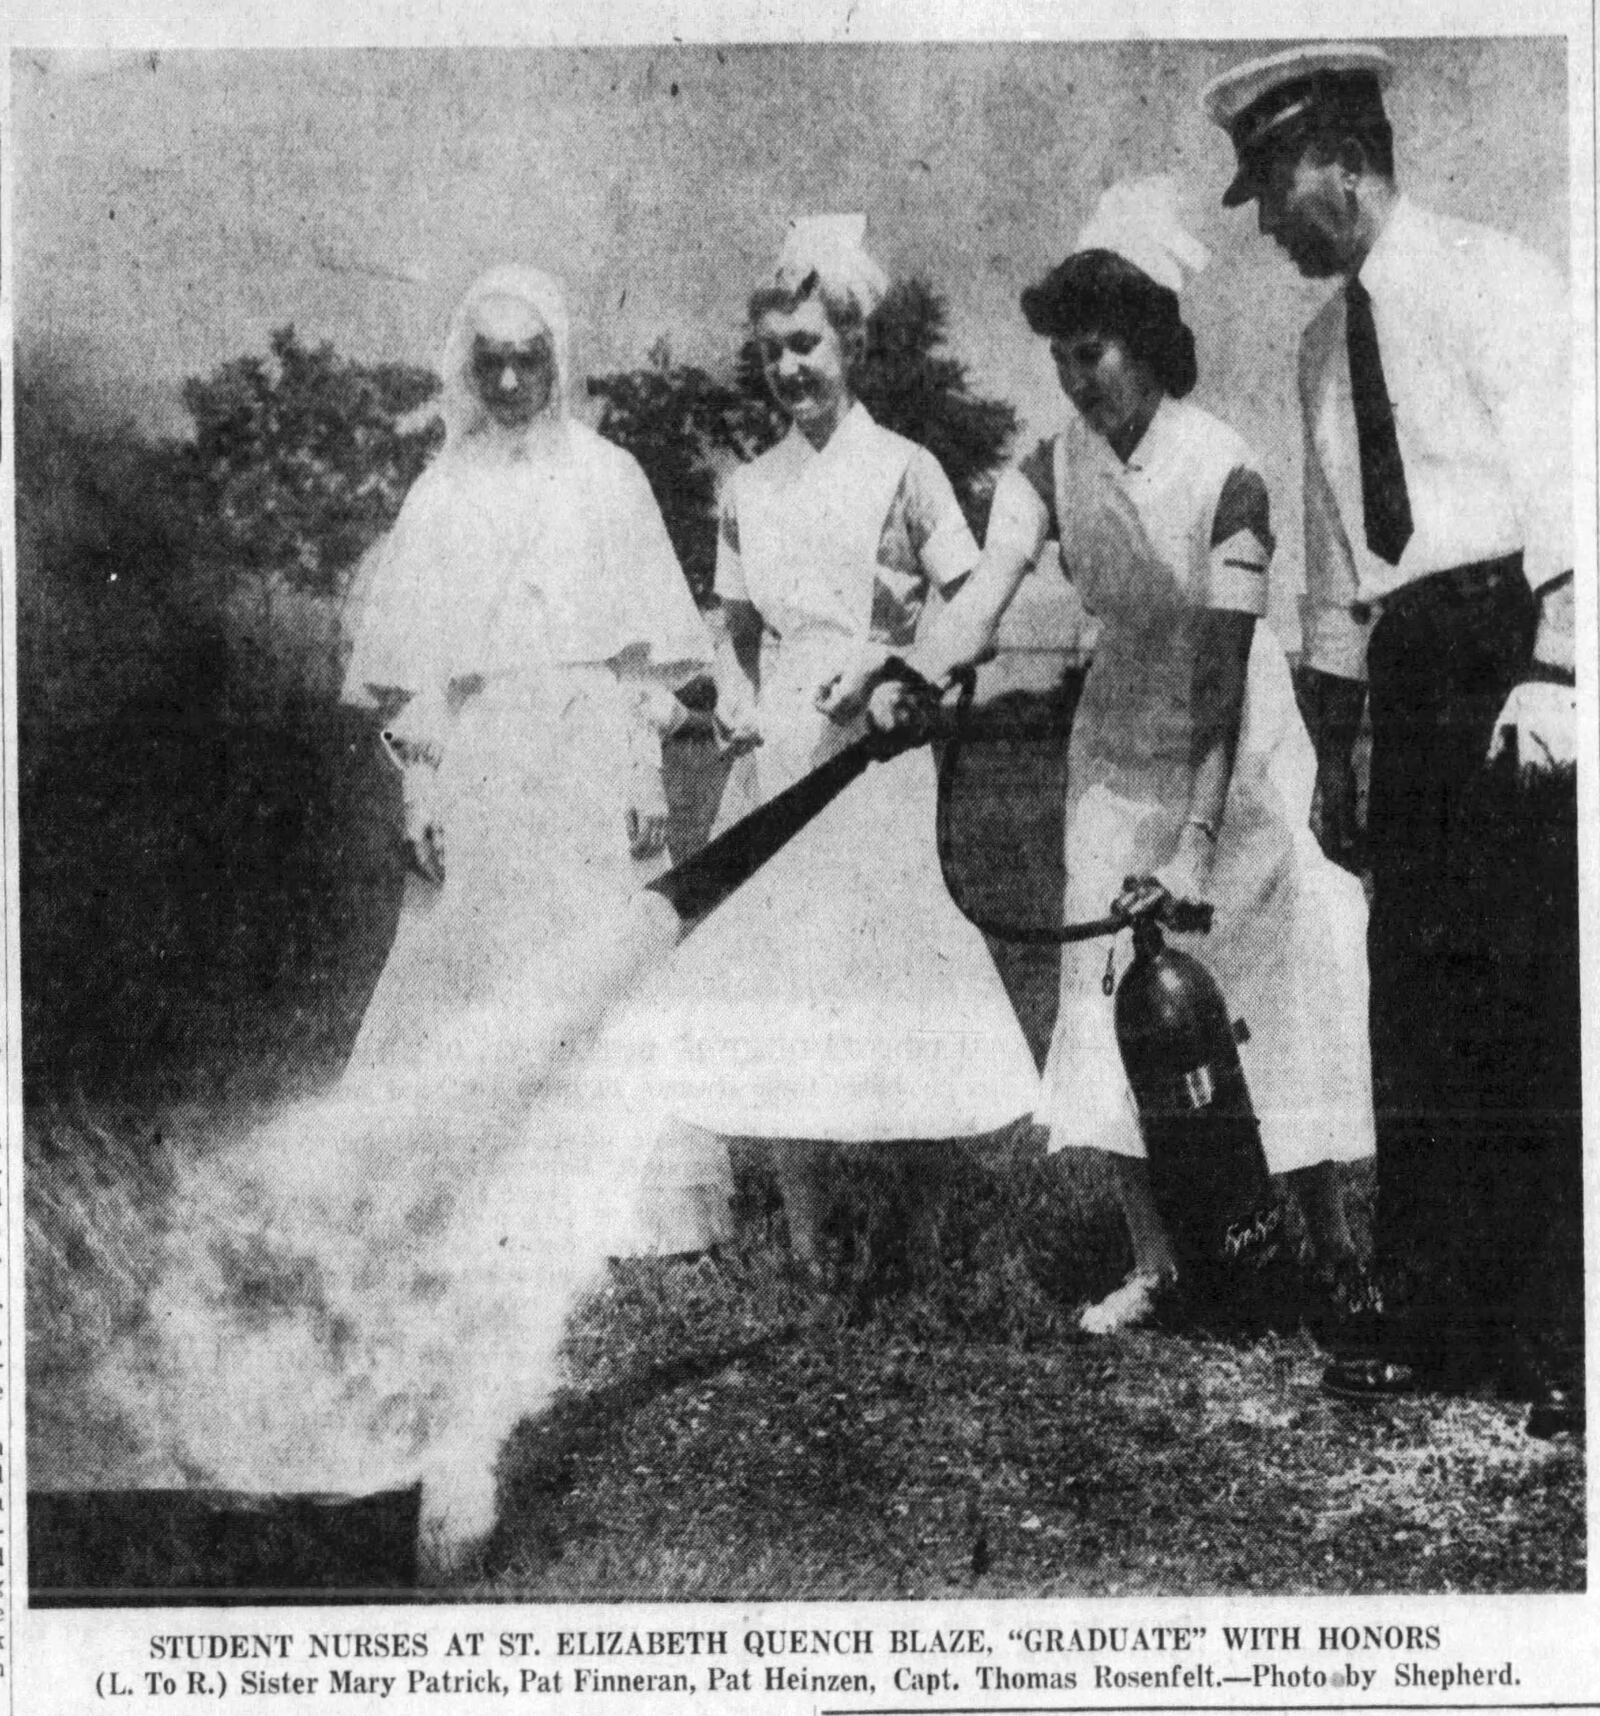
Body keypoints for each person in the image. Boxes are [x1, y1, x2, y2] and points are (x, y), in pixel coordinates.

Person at [873, 179, 1375, 1335]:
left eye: (1089, 352)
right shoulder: (1049, 467)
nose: (1071, 377)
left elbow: (1221, 677)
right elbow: (987, 591)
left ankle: (1330, 1243)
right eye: (1058, 355)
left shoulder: (1226, 470)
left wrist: (1197, 842)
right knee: (1105, 992)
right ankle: (1161, 1262)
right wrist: (911, 670)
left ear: (1148, 340)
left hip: (1231, 740)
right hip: (1111, 744)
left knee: (1269, 974)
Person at [1201, 45, 1580, 1429]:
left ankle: (1563, 1331)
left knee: (1533, 994)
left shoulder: (1497, 281)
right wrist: (1340, 747)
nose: (1265, 224)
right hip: (1407, 673)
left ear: (1340, 164)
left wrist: (1557, 673)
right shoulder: (1315, 349)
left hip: (1510, 650)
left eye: (1273, 191)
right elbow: (1330, 574)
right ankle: (1442, 1309)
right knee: (1416, 1000)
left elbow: (1571, 491)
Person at [649, 215, 1040, 1279]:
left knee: (893, 982)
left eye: (807, 345)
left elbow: (972, 617)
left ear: (853, 345)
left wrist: (887, 662)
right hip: (776, 757)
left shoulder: (906, 471)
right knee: (783, 985)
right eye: (773, 350)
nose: (788, 368)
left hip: (873, 757)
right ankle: (816, 1239)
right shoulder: (747, 488)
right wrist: (732, 694)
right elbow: (727, 629)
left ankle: (912, 1232)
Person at [341, 263, 728, 1258]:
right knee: (471, 961)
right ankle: (473, 1198)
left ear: (557, 363)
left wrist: (643, 766)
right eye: (493, 362)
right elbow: (410, 669)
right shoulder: (440, 491)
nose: (511, 381)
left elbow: (656, 660)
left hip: (588, 747)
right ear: (468, 369)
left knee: (600, 956)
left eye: (530, 360)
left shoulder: (610, 478)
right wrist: (421, 778)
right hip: (481, 754)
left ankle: (616, 1204)